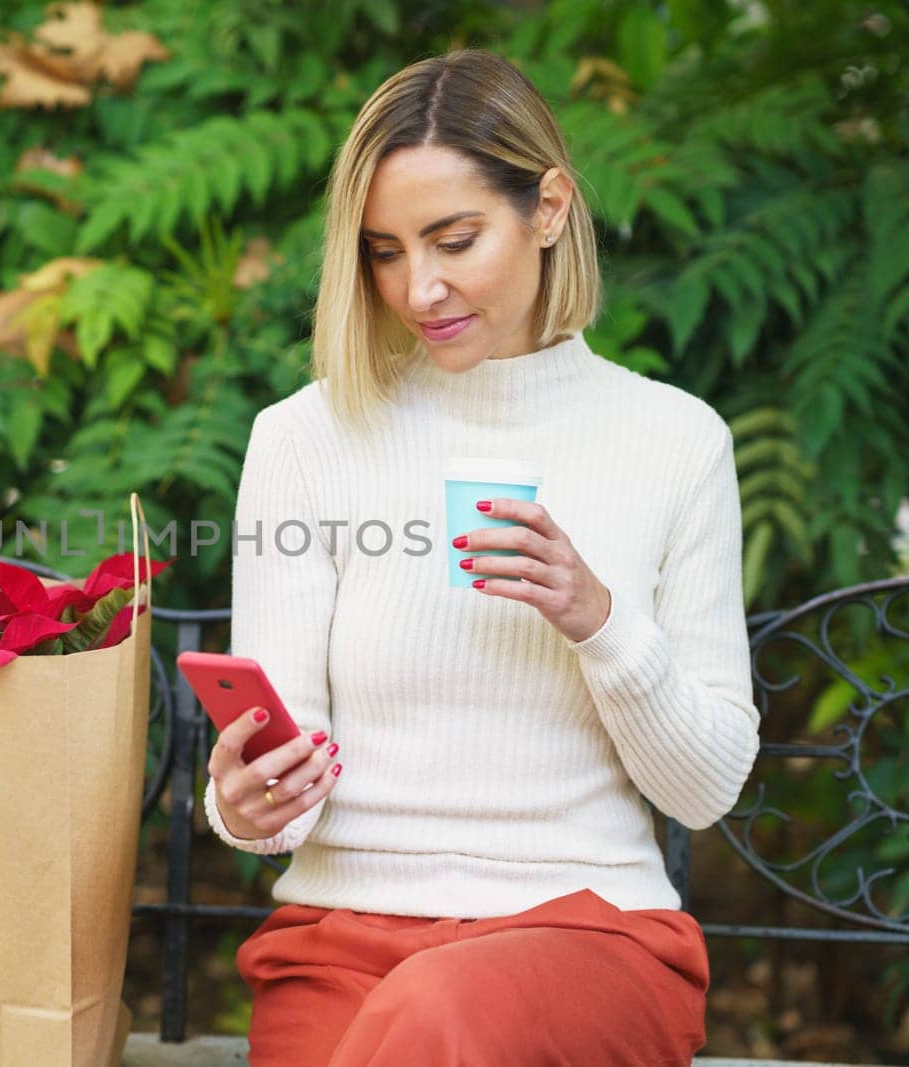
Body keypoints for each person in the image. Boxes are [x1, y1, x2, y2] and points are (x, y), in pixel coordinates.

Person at [202, 49, 761, 1066]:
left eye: (455, 238)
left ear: (547, 207)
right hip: (341, 940)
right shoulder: (305, 439)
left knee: (435, 1016)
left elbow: (705, 788)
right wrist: (244, 802)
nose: (419, 287)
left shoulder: (676, 441)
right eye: (382, 251)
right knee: (412, 1016)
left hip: (585, 932)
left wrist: (599, 619)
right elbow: (283, 795)